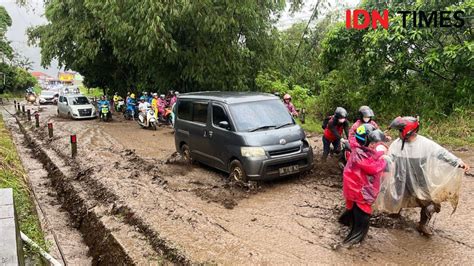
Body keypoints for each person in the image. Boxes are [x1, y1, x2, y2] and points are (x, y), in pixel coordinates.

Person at [375, 116, 470, 236]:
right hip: (401, 180)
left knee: (431, 203)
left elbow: (442, 153)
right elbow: (389, 160)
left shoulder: (425, 144)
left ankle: (423, 224)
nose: (398, 133)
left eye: (400, 130)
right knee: (395, 198)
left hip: (420, 181)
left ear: (408, 131)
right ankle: (394, 214)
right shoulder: (397, 144)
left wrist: (458, 162)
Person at [340, 124, 388, 245]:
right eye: (372, 142)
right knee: (362, 220)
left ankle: (346, 223)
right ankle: (350, 243)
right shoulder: (360, 154)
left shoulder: (359, 149)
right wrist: (384, 160)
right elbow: (372, 167)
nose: (374, 145)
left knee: (352, 211)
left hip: (353, 188)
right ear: (366, 142)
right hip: (360, 191)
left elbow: (372, 155)